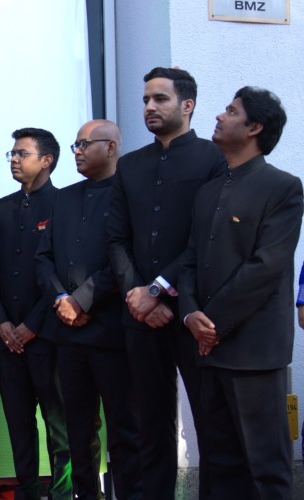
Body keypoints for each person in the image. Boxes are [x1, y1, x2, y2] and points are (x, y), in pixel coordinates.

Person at [105, 67, 225, 498]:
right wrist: (137, 294)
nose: (149, 107)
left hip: (192, 310)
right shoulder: (131, 165)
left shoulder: (214, 160)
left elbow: (205, 239)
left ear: (187, 105)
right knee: (148, 424)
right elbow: (116, 238)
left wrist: (158, 289)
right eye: (145, 100)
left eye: (160, 99)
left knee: (211, 424)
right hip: (138, 316)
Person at [180, 87, 301, 499]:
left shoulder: (283, 188)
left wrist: (211, 323)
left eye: (231, 111)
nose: (219, 116)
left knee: (266, 470)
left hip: (255, 353)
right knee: (220, 467)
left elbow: (266, 267)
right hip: (208, 351)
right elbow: (191, 261)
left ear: (253, 127)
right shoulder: (208, 192)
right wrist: (189, 314)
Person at [37, 120, 141, 500]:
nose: (77, 151)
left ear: (111, 147)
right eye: (75, 144)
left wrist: (81, 300)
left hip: (111, 331)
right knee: (77, 428)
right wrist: (63, 299)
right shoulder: (63, 198)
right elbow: (43, 257)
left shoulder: (129, 195)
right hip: (67, 334)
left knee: (124, 428)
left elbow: (126, 261)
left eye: (84, 144)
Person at [0, 127, 69, 500]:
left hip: (48, 336)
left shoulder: (64, 207)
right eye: (12, 154)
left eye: (22, 153)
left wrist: (31, 325)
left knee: (58, 423)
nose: (14, 160)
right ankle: (28, 490)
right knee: (18, 423)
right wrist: (2, 323)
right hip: (6, 340)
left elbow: (63, 274)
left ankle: (65, 493)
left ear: (46, 160)